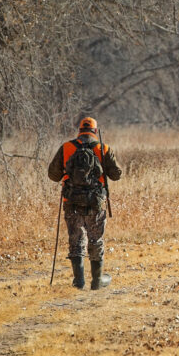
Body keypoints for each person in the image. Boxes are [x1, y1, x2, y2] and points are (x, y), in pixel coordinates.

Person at [48, 117, 122, 290]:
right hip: (96, 203)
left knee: (76, 240)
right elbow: (117, 174)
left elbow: (53, 175)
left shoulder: (67, 147)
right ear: (95, 131)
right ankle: (97, 281)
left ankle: (78, 281)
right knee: (96, 240)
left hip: (71, 202)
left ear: (79, 130)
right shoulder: (102, 148)